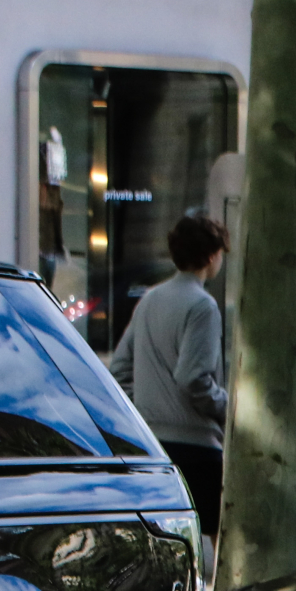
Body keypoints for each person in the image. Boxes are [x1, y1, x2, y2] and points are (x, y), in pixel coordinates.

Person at [108, 213, 229, 528]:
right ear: (212, 256)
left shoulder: (150, 300)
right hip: (197, 446)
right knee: (212, 541)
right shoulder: (203, 306)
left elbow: (120, 369)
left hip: (153, 445)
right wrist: (227, 407)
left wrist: (150, 403)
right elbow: (193, 378)